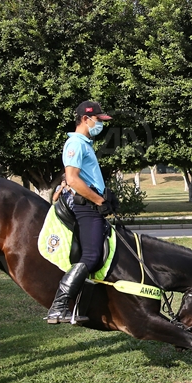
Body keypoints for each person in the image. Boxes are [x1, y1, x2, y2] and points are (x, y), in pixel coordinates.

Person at [45, 100, 118, 324]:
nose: (100, 125)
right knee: (91, 256)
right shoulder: (75, 143)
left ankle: (80, 307)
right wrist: (99, 200)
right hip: (86, 206)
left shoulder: (84, 144)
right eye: (98, 120)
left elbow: (72, 178)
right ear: (86, 119)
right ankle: (58, 307)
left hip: (90, 203)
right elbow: (74, 178)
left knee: (97, 256)